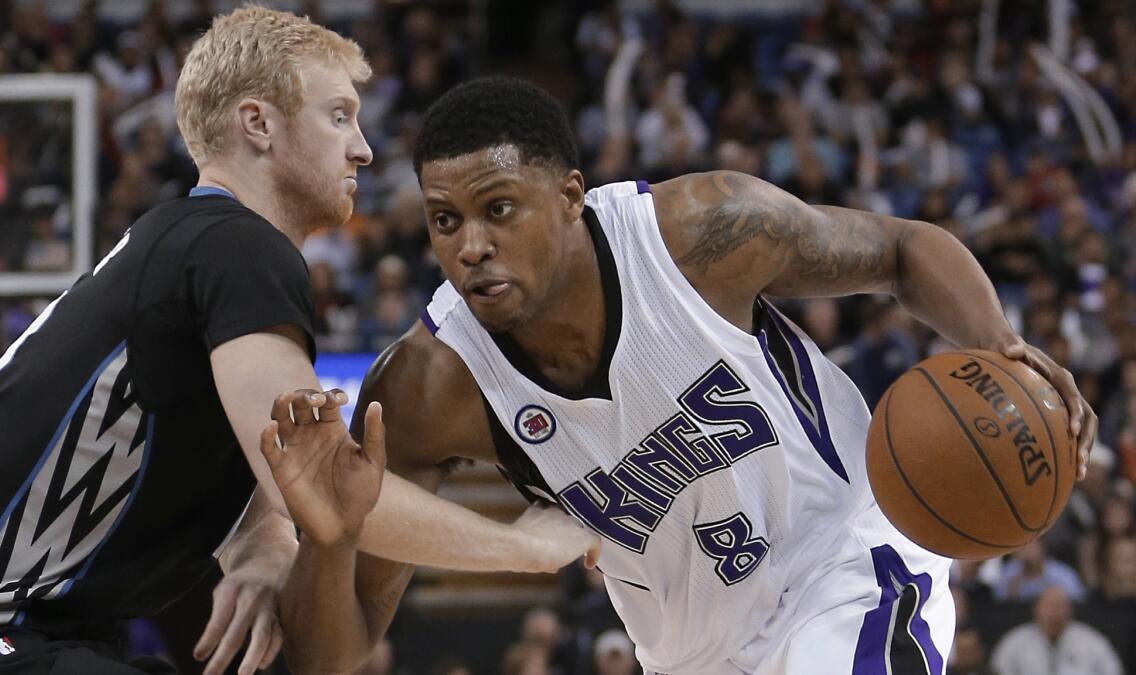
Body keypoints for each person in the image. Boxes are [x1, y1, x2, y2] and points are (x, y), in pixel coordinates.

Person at [275, 76, 1098, 673]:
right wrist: (328, 536)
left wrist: (1001, 342)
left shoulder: (699, 232)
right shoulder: (428, 387)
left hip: (839, 562)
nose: (471, 245)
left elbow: (902, 250)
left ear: (569, 196)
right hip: (683, 651)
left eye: (499, 209)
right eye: (445, 221)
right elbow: (334, 652)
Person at [0, 12, 593, 675]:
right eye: (339, 116)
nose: (363, 148)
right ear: (258, 124)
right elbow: (330, 486)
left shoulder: (190, 243)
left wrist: (261, 543)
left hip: (23, 631)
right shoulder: (237, 245)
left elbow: (263, 457)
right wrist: (525, 546)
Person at [990, 586, 1123, 675]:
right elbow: (998, 670)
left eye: (1060, 606)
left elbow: (1114, 671)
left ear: (1070, 610)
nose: (1054, 612)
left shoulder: (1092, 642)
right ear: (1036, 609)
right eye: (1049, 606)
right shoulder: (1015, 642)